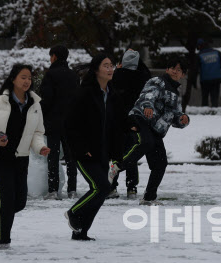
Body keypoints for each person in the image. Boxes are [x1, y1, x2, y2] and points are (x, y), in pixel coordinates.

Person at [0, 64, 50, 250]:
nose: (27, 81)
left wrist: (40, 147)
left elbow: (37, 132)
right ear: (13, 79)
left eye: (29, 78)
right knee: (8, 201)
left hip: (21, 157)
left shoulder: (34, 104)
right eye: (23, 77)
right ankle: (3, 242)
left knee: (19, 203)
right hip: (0, 157)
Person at [108, 57, 190, 205]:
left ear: (182, 75)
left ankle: (149, 197)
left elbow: (175, 115)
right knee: (145, 142)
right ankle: (117, 165)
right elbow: (148, 95)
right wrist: (147, 106)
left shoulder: (176, 94)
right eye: (172, 68)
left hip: (156, 129)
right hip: (141, 119)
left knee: (161, 163)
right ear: (167, 69)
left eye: (178, 70)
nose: (174, 71)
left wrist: (183, 119)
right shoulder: (158, 81)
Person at [63, 53, 118, 241]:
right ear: (96, 70)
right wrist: (80, 147)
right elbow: (70, 124)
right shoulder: (84, 92)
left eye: (111, 65)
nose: (110, 69)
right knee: (101, 187)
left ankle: (80, 232)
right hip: (84, 152)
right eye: (106, 65)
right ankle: (73, 213)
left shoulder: (112, 93)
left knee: (102, 192)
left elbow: (114, 123)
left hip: (103, 152)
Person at [107, 49, 152, 200]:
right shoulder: (142, 76)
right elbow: (146, 73)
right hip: (135, 119)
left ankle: (112, 187)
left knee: (116, 152)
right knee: (131, 154)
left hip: (117, 120)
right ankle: (131, 187)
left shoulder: (116, 75)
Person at [39, 45, 80, 200]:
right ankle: (72, 190)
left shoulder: (50, 75)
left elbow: (47, 99)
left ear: (54, 56)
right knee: (71, 158)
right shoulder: (73, 75)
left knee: (53, 157)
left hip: (54, 121)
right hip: (71, 122)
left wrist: (40, 115)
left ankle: (53, 190)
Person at [193, 39, 221, 107]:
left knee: (205, 99)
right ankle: (214, 113)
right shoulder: (216, 52)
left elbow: (195, 70)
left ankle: (204, 114)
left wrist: (194, 82)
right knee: (214, 99)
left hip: (205, 80)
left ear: (199, 46)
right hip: (216, 79)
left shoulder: (199, 55)